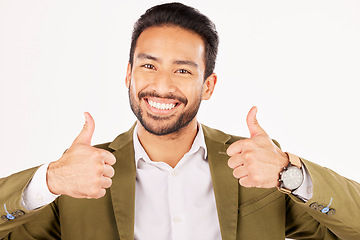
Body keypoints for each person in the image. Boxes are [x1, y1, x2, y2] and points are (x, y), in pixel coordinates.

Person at [0, 2, 359, 239]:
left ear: (208, 85)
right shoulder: (78, 180)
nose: (162, 86)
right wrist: (47, 181)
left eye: (183, 70)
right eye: (148, 65)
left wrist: (288, 171)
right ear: (128, 75)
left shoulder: (256, 166)